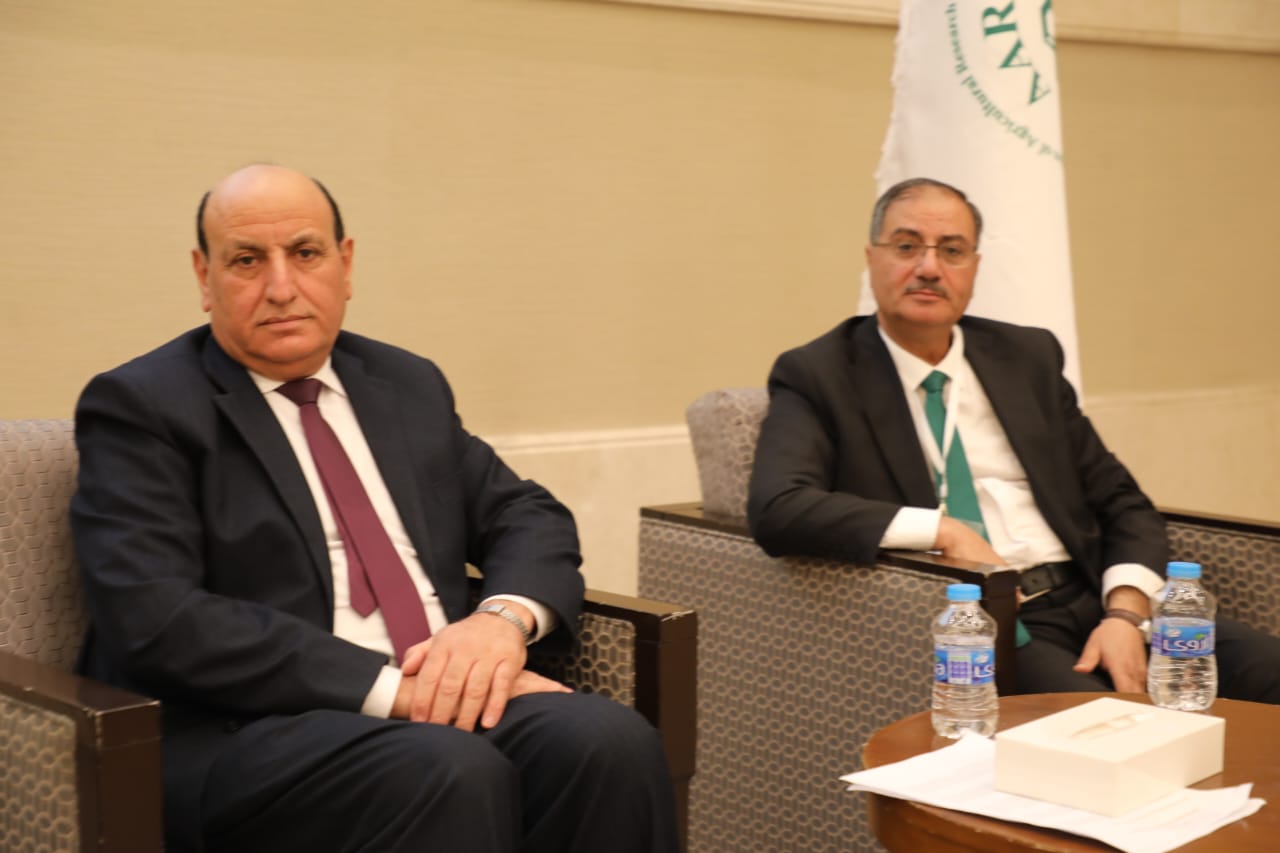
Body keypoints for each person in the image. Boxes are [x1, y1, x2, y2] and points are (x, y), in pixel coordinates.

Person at [70, 164, 678, 852]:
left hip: (436, 701)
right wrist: (396, 691)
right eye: (246, 260)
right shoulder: (141, 406)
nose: (281, 287)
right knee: (448, 767)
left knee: (607, 740)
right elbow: (155, 615)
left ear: (346, 264)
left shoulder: (404, 383)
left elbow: (525, 513)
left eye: (305, 253)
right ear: (204, 277)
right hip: (246, 728)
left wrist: (499, 623)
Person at [747, 176, 1280, 703]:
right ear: (872, 258)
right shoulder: (820, 373)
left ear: (974, 267)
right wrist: (946, 531)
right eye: (907, 246)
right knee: (1108, 729)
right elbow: (779, 506)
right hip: (996, 621)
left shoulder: (1026, 358)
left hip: (1096, 594)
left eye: (951, 250)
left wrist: (1124, 612)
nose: (928, 267)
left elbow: (1121, 501)